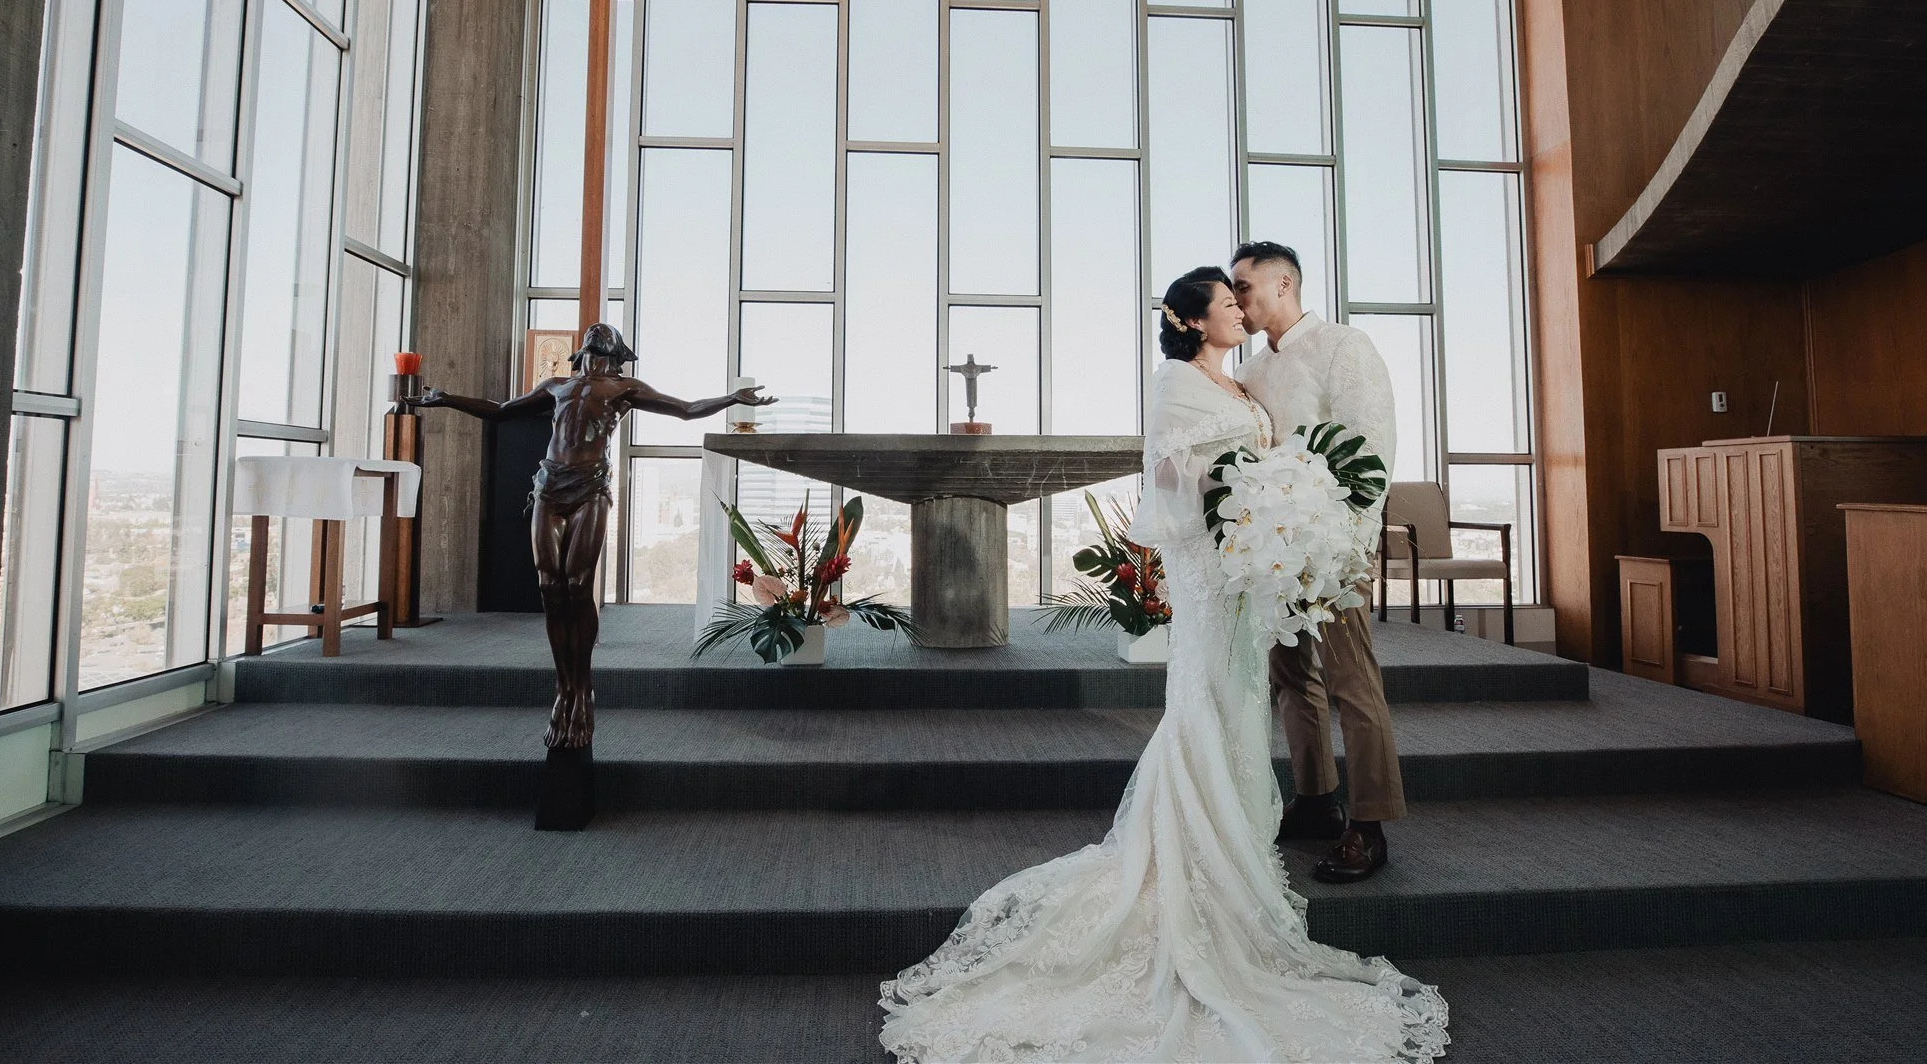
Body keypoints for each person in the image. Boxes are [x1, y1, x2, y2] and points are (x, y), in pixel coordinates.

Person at [878, 268, 1447, 1064]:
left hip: (1260, 562)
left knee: (1249, 698)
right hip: (1215, 570)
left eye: (1242, 295)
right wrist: (1249, 501)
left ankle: (1262, 831)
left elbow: (1294, 452)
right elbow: (1174, 482)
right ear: (1193, 320)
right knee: (1213, 701)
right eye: (1226, 301)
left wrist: (1284, 507)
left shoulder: (1255, 375)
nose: (1238, 307)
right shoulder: (1177, 382)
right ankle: (1204, 849)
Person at [416, 323, 774, 749]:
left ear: (618, 352)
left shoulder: (624, 388)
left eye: (605, 334)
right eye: (593, 333)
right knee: (550, 586)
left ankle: (583, 688)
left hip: (590, 487)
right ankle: (563, 687)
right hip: (550, 485)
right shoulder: (556, 386)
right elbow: (502, 410)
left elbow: (685, 408)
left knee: (577, 583)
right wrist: (447, 398)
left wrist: (731, 398)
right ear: (582, 349)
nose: (598, 331)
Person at [1231, 240, 1405, 884]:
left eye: (1243, 286)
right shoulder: (1252, 371)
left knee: (1350, 681)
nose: (1236, 300)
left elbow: (1370, 447)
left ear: (1283, 284)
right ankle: (1315, 800)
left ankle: (1370, 824)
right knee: (1289, 675)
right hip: (1275, 550)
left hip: (1336, 543)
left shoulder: (1343, 347)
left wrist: (1349, 543)